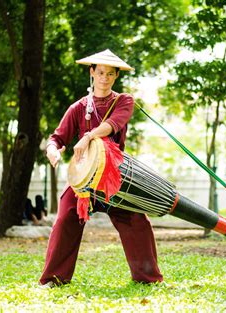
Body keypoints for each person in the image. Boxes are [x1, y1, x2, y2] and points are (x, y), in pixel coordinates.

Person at [40, 49, 163, 287]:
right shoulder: (78, 107)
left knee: (137, 222)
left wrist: (87, 137)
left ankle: (148, 279)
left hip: (114, 177)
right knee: (65, 219)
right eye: (100, 72)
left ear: (116, 76)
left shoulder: (124, 101)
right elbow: (57, 138)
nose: (104, 78)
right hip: (85, 181)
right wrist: (52, 150)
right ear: (92, 73)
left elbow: (112, 125)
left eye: (110, 74)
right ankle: (53, 279)